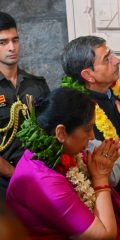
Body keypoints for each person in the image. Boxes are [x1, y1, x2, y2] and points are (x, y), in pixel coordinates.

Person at [61, 36, 120, 239]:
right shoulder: (80, 114)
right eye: (107, 59)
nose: (117, 60)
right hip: (115, 206)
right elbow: (111, 174)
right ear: (88, 75)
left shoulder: (114, 90)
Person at [6, 88, 120, 239]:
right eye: (88, 129)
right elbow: (105, 236)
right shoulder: (44, 181)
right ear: (61, 133)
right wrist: (100, 177)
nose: (92, 136)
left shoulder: (52, 153)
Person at [0, 12, 49, 201]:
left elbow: (50, 130)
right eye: (3, 43)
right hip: (5, 184)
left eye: (15, 40)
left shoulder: (36, 84)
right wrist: (15, 174)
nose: (12, 47)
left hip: (41, 175)